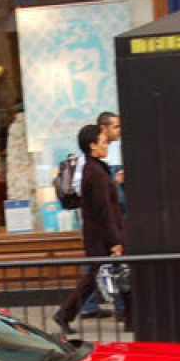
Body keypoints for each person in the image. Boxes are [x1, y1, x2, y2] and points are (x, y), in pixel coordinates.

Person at [53, 124, 124, 335]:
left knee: (99, 276)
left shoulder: (95, 168)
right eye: (103, 142)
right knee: (94, 277)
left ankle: (129, 316)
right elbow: (104, 211)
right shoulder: (95, 173)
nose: (107, 146)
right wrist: (115, 241)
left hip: (100, 234)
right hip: (101, 236)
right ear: (92, 146)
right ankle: (65, 313)